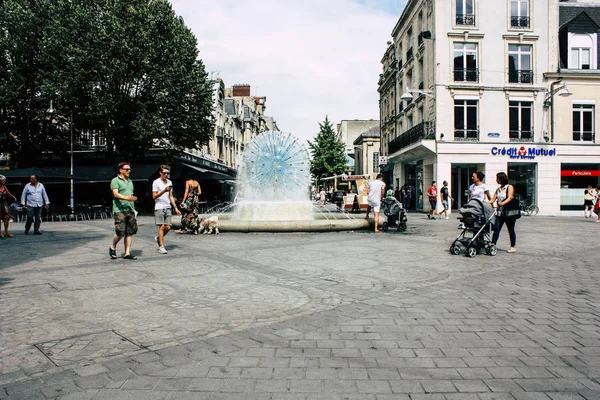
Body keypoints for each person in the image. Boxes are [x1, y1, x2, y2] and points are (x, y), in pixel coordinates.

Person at [109, 162, 138, 260]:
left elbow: (131, 195)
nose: (129, 171)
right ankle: (113, 246)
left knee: (129, 232)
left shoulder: (130, 181)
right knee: (120, 232)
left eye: (129, 169)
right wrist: (127, 198)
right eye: (127, 169)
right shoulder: (115, 180)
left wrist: (133, 209)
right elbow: (115, 194)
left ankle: (127, 253)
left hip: (129, 210)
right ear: (121, 170)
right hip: (119, 210)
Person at [152, 165, 181, 254]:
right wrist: (164, 191)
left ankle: (158, 238)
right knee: (162, 226)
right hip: (159, 206)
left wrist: (175, 207)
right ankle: (161, 246)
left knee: (168, 227)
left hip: (167, 206)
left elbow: (171, 196)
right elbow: (154, 196)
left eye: (168, 173)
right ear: (160, 173)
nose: (166, 175)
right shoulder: (156, 182)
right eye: (164, 173)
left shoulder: (169, 182)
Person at [490, 172, 518, 253]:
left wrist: (502, 203)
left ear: (501, 179)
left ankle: (513, 246)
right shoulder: (498, 189)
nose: (496, 180)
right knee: (497, 228)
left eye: (497, 178)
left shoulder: (509, 187)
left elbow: (509, 198)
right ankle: (493, 244)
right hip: (500, 213)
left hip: (509, 212)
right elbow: (493, 199)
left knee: (511, 229)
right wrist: (486, 203)